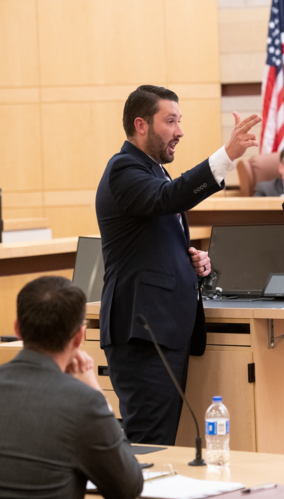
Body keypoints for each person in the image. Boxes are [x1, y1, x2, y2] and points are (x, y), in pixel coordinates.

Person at [95, 85, 260, 445]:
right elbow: (168, 199)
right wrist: (225, 156)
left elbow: (153, 233)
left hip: (161, 329)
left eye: (179, 121)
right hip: (142, 331)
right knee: (149, 444)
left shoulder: (152, 171)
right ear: (141, 125)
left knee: (159, 442)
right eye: (170, 121)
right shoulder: (123, 168)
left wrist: (189, 261)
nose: (180, 132)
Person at [0, 276, 143, 499]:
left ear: (17, 329)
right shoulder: (84, 402)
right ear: (78, 337)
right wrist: (93, 387)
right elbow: (128, 488)